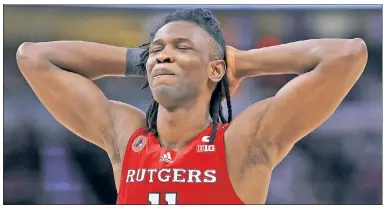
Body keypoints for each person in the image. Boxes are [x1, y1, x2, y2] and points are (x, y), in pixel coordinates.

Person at [16, 8, 368, 205]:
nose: (164, 54)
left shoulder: (242, 143)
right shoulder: (126, 137)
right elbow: (33, 57)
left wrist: (243, 62)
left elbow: (347, 54)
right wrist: (144, 58)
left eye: (182, 47)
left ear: (216, 69)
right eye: (156, 49)